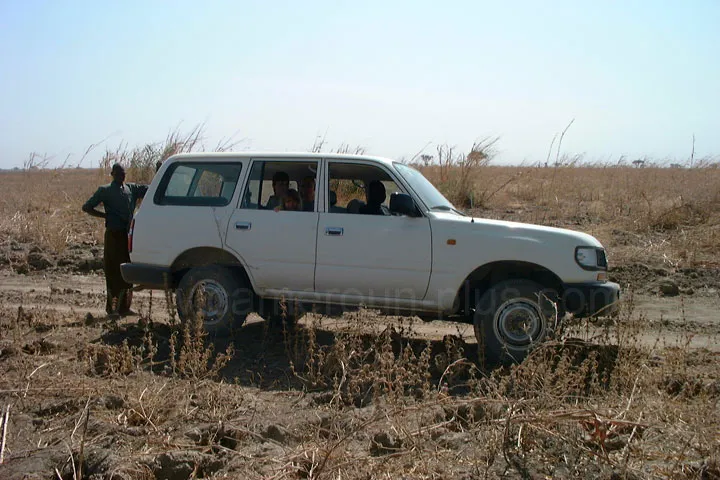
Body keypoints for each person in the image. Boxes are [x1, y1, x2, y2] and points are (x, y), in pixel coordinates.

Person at [82, 164, 148, 317]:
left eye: (123, 173)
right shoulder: (104, 190)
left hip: (128, 236)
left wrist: (159, 170)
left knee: (127, 272)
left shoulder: (131, 188)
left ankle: (125, 308)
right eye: (118, 173)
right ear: (112, 174)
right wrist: (105, 216)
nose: (121, 176)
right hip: (113, 236)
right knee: (113, 273)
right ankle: (112, 309)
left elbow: (149, 189)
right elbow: (87, 207)